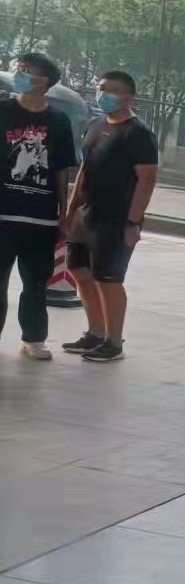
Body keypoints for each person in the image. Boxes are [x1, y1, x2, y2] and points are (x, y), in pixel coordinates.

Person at [61, 70, 158, 363]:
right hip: (85, 216)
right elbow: (84, 170)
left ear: (129, 97)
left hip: (114, 220)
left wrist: (133, 221)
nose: (104, 95)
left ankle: (114, 343)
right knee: (79, 272)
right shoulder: (95, 125)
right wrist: (70, 210)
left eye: (112, 91)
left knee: (108, 279)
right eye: (101, 88)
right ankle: (95, 332)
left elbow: (147, 179)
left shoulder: (138, 134)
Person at [1, 53, 78, 360]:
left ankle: (33, 339)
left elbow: (61, 170)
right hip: (3, 215)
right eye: (18, 69)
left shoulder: (58, 121)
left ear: (45, 81)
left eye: (27, 70)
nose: (19, 74)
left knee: (35, 283)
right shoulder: (3, 111)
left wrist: (64, 212)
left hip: (40, 218)